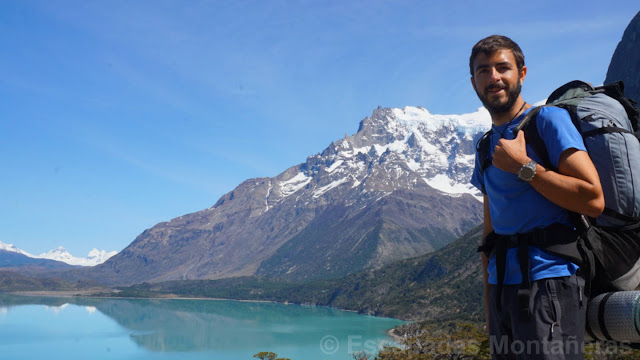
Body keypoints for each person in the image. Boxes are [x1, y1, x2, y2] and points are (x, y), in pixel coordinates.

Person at [469, 35, 605, 359]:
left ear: (522, 74)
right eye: (483, 71)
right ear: (473, 81)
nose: (494, 77)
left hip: (550, 284)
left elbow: (593, 199)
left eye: (503, 68)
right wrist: (492, 312)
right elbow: (490, 236)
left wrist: (523, 167)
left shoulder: (547, 122)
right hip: (503, 291)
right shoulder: (486, 146)